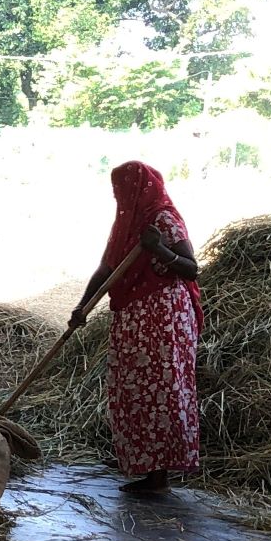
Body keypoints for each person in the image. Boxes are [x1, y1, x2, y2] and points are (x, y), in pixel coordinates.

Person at [69, 161, 202, 495]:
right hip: (133, 324)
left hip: (164, 324)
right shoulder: (126, 225)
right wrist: (83, 306)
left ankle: (159, 478)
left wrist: (158, 248)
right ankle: (146, 468)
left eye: (123, 188)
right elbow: (106, 269)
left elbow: (191, 269)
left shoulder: (163, 219)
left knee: (161, 392)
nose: (118, 195)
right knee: (134, 392)